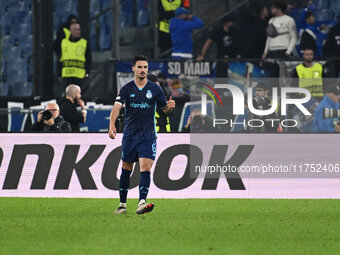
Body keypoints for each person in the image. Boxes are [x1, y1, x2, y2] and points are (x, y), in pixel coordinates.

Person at [108, 55, 175, 214]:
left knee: (145, 168)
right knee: (126, 168)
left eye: (145, 67)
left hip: (148, 135)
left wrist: (170, 107)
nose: (143, 70)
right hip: (130, 135)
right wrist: (112, 125)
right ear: (133, 68)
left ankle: (141, 203)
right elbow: (116, 108)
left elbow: (164, 110)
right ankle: (122, 205)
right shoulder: (126, 89)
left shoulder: (155, 89)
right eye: (140, 67)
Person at [56, 23, 92, 90]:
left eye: (79, 30)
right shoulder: (64, 43)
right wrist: (59, 74)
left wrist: (87, 73)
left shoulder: (84, 43)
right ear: (70, 31)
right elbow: (60, 59)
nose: (78, 32)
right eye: (75, 30)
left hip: (80, 76)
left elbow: (88, 59)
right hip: (67, 76)